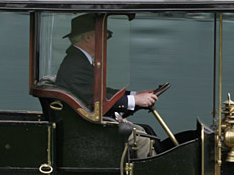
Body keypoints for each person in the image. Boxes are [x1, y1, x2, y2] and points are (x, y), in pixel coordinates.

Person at [55, 13, 158, 157]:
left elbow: (99, 93)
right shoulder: (76, 65)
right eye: (103, 34)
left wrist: (134, 95)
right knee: (141, 139)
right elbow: (93, 100)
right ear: (88, 37)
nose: (105, 39)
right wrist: (134, 101)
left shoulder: (78, 61)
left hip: (85, 123)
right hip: (84, 129)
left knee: (146, 130)